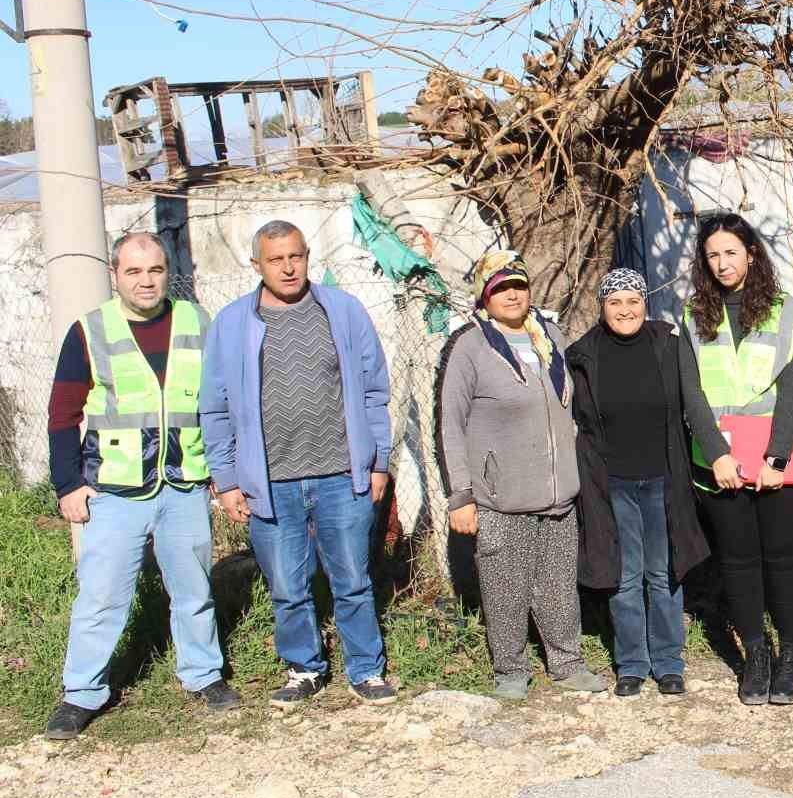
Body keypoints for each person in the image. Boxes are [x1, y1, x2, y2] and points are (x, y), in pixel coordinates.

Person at [42, 233, 240, 738]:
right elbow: (62, 414)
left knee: (194, 587)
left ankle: (203, 676)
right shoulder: (90, 331)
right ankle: (82, 693)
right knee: (102, 594)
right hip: (115, 488)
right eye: (134, 272)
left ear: (166, 271)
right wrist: (68, 484)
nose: (146, 281)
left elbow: (220, 402)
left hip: (183, 482)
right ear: (116, 275)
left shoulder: (197, 321)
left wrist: (224, 472)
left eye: (154, 270)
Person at [200, 220, 399, 709]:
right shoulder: (231, 323)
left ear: (307, 256)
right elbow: (215, 406)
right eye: (275, 259)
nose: (288, 268)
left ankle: (366, 669)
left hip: (341, 475)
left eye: (295, 256)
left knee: (352, 579)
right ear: (257, 265)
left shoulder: (343, 311)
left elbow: (374, 391)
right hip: (269, 483)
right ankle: (303, 668)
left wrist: (378, 462)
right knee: (288, 587)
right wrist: (226, 480)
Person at [437, 250, 609, 699]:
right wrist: (462, 495)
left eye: (519, 285)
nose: (512, 294)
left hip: (557, 493)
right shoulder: (468, 347)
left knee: (557, 586)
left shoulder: (549, 336)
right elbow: (450, 426)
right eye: (500, 287)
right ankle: (510, 670)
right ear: (484, 294)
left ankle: (567, 664)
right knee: (505, 588)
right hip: (501, 496)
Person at [568, 268, 731, 696]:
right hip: (611, 482)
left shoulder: (669, 346)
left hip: (662, 479)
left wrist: (717, 454)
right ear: (602, 307)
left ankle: (668, 661)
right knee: (624, 575)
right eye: (615, 302)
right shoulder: (583, 356)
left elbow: (694, 405)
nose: (625, 309)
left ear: (645, 303)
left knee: (663, 574)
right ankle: (632, 665)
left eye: (633, 300)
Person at [682, 213, 793, 705]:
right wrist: (716, 454)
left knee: (782, 559)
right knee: (737, 562)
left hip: (776, 457)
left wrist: (776, 457)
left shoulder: (785, 311)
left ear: (751, 254)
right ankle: (755, 656)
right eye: (713, 255)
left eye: (731, 252)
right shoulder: (693, 314)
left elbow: (792, 387)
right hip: (719, 461)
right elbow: (690, 390)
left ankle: (790, 657)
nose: (722, 263)